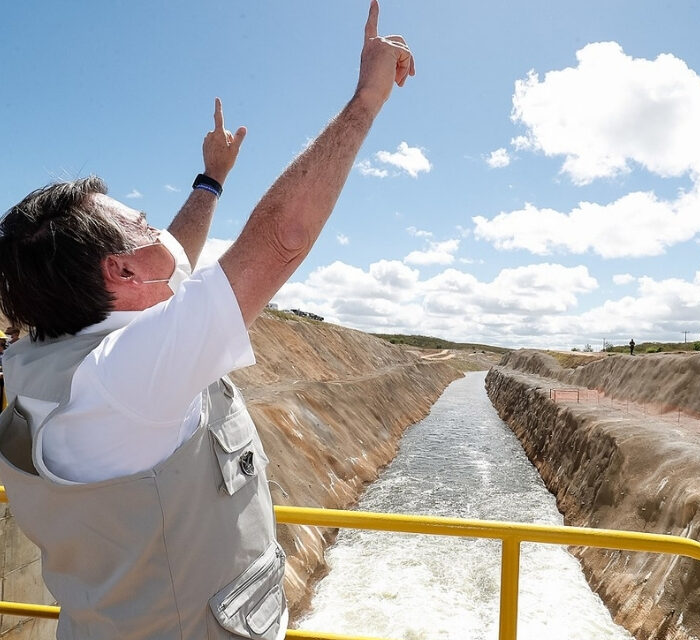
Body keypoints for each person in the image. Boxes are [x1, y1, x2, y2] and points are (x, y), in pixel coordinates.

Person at [0, 3, 413, 639]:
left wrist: (211, 180)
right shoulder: (127, 377)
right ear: (122, 275)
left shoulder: (53, 360)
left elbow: (173, 259)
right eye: (137, 224)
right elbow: (280, 238)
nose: (152, 223)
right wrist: (366, 98)